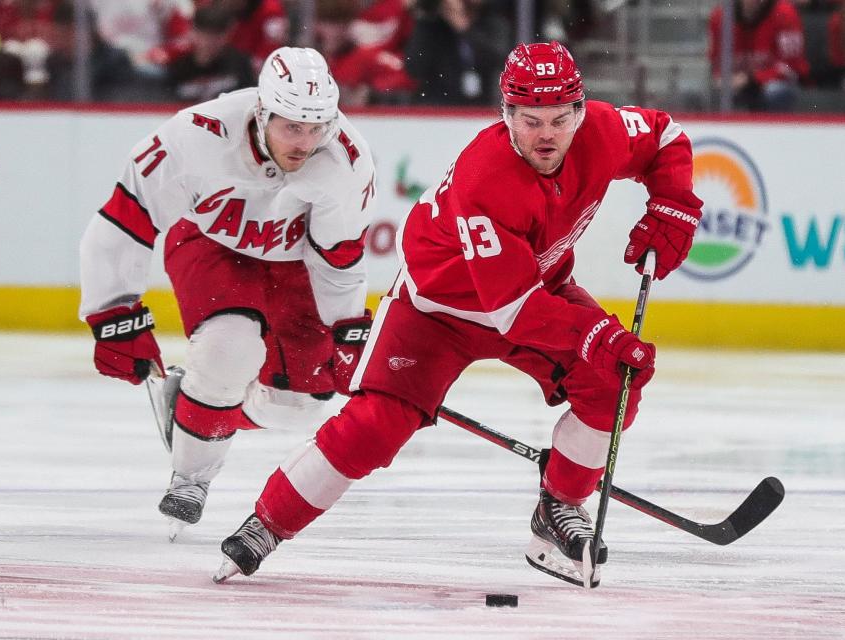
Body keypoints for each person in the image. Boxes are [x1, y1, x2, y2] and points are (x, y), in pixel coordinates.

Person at [213, 41, 703, 588]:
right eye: (530, 120)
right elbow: (514, 311)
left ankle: (558, 508)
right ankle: (268, 524)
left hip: (534, 291)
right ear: (507, 115)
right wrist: (596, 337)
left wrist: (673, 203)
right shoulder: (486, 179)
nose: (546, 135)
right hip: (436, 312)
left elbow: (664, 136)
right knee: (376, 426)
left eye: (560, 120)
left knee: (615, 381)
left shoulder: (604, 133)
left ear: (581, 113)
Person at [78, 46, 377, 541]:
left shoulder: (346, 159)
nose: (305, 142)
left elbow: (338, 259)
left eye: (316, 127)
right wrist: (112, 313)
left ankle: (194, 409)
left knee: (298, 405)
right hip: (210, 246)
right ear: (262, 112)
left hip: (296, 265)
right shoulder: (195, 134)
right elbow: (125, 218)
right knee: (227, 352)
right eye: (292, 127)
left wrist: (347, 331)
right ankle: (191, 478)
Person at [708, 0, 810, 111]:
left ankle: (775, 127)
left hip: (776, 84)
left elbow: (792, 68)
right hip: (737, 85)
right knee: (712, 94)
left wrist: (751, 79)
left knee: (774, 92)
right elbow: (716, 64)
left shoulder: (785, 13)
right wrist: (722, 79)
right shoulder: (720, 17)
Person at [166, 4, 255, 103]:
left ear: (227, 34)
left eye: (216, 35)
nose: (209, 42)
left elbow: (251, 101)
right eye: (204, 34)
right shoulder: (179, 67)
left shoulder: (239, 65)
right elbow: (167, 101)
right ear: (193, 32)